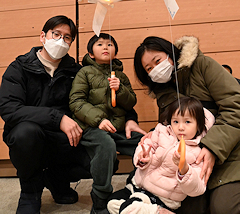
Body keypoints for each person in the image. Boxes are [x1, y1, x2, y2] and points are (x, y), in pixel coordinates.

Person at [0, 16, 145, 214]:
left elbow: (101, 99)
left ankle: (56, 180)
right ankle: (30, 191)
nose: (61, 40)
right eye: (56, 34)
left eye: (67, 37)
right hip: (34, 136)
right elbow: (9, 108)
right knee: (25, 134)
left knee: (103, 156)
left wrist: (130, 119)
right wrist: (57, 118)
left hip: (69, 138)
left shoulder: (76, 71)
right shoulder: (19, 68)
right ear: (43, 36)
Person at [133, 35, 240, 214]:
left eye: (157, 60)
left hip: (229, 150)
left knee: (223, 207)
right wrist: (153, 135)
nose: (156, 70)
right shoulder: (163, 93)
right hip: (191, 160)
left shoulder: (203, 66)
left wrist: (212, 148)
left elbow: (235, 106)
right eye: (149, 69)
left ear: (170, 53)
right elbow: (172, 128)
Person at [69, 33, 145, 214]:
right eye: (100, 44)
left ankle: (137, 188)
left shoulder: (120, 75)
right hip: (92, 127)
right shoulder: (84, 72)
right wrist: (99, 120)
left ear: (116, 53)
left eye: (110, 45)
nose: (105, 47)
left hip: (117, 127)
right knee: (106, 145)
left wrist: (120, 90)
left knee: (145, 144)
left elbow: (130, 102)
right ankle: (101, 197)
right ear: (91, 53)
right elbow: (76, 102)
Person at [107, 97, 215, 214]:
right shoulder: (162, 132)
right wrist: (143, 157)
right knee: (112, 203)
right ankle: (154, 211)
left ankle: (159, 211)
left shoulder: (198, 152)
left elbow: (197, 189)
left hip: (163, 198)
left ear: (199, 125)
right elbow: (146, 145)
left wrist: (184, 169)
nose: (180, 127)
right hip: (138, 186)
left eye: (187, 122)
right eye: (176, 121)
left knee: (128, 208)